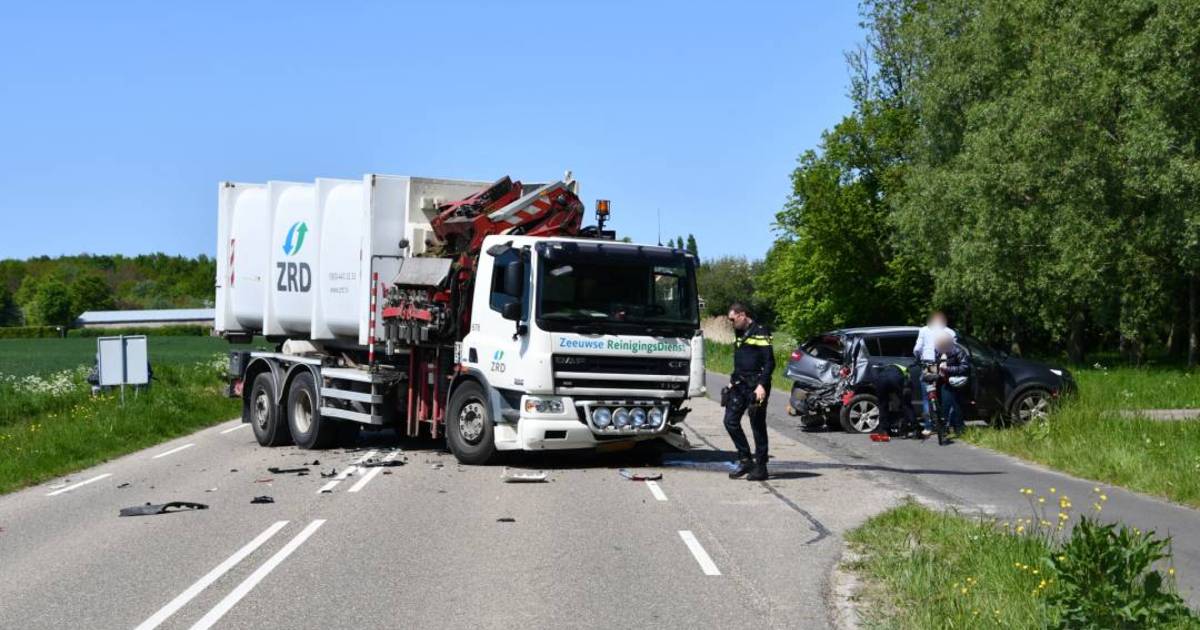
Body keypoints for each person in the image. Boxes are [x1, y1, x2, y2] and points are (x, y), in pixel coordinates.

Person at [724, 302, 774, 481]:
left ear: (742, 315)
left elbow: (769, 362)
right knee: (730, 421)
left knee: (757, 424)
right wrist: (731, 383)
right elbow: (740, 360)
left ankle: (761, 467)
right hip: (740, 384)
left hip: (756, 385)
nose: (731, 323)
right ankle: (745, 459)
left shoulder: (761, 331)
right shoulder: (739, 332)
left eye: (733, 319)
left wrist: (762, 385)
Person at [914, 310, 956, 435]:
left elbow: (917, 349)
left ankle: (928, 427)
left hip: (929, 365)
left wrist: (918, 358)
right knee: (946, 395)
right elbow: (955, 351)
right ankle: (947, 425)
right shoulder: (950, 332)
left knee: (927, 397)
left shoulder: (924, 330)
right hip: (944, 365)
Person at [934, 331, 970, 434]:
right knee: (944, 405)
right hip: (942, 382)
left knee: (954, 405)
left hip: (955, 382)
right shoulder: (938, 352)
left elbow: (965, 367)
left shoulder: (958, 351)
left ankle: (959, 428)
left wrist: (948, 369)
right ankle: (948, 427)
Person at [871, 363, 917, 440]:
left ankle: (884, 430)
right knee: (906, 404)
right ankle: (914, 429)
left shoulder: (886, 368)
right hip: (895, 379)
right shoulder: (906, 370)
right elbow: (908, 388)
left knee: (883, 406)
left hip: (880, 380)